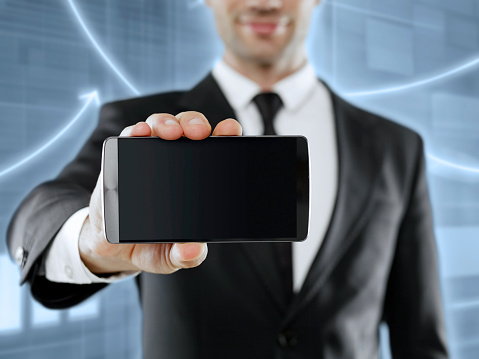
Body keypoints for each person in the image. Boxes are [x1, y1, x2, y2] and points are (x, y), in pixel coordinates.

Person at [7, 0, 448, 358]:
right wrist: (89, 244)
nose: (265, 2)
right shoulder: (140, 127)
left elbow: (422, 337)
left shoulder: (397, 147)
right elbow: (41, 212)